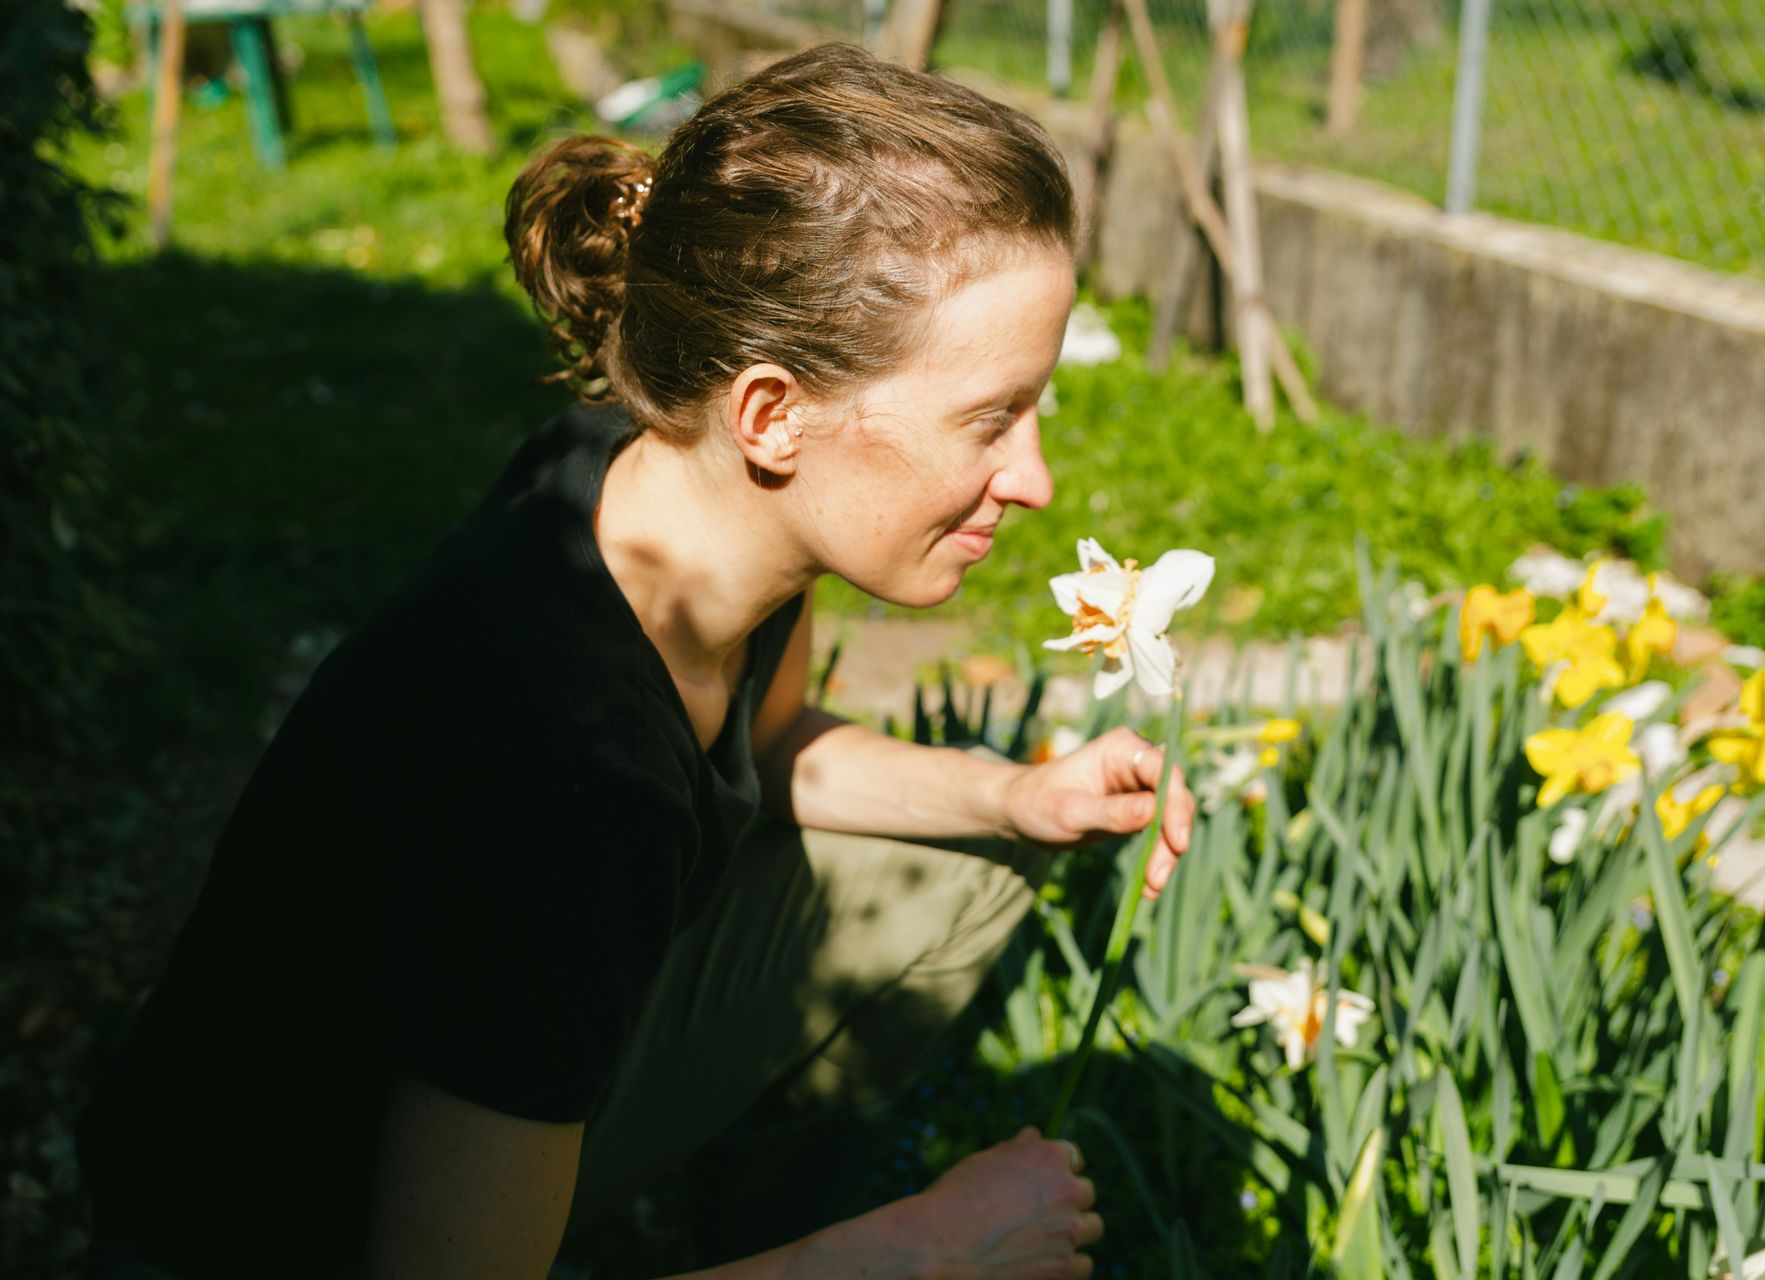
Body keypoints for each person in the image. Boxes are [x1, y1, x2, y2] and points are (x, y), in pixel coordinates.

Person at [78, 42, 1197, 1279]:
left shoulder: (667, 491)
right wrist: (925, 1249)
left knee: (971, 867)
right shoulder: (563, 774)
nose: (1034, 480)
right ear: (771, 414)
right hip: (270, 1239)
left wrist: (1015, 794)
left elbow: (762, 747)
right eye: (990, 418)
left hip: (452, 1091)